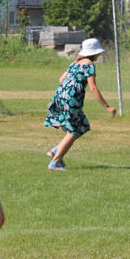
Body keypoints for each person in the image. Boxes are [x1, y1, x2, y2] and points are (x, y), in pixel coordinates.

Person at [44, 38, 117, 171]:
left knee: (83, 126)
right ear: (93, 53)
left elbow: (61, 79)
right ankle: (54, 163)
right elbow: (93, 88)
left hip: (60, 96)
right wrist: (107, 106)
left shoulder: (75, 63)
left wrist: (66, 93)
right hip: (72, 99)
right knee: (74, 131)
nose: (99, 55)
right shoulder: (89, 65)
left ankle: (56, 151)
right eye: (98, 53)